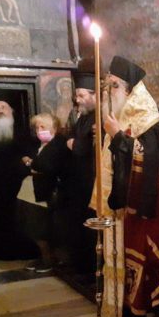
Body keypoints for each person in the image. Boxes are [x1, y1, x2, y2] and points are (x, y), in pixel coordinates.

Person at [95, 55, 159, 317]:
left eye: (115, 85)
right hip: (119, 195)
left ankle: (135, 304)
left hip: (136, 198)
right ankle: (118, 302)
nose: (110, 91)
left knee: (135, 252)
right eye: (108, 85)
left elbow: (147, 157)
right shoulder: (120, 109)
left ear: (129, 88)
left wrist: (117, 135)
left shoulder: (145, 113)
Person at [0, 93, 38, 260]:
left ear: (11, 110)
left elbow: (30, 155)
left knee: (18, 219)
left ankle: (19, 251)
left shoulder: (23, 133)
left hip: (16, 186)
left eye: (3, 107)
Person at [18, 113, 71, 273]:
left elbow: (46, 167)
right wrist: (31, 164)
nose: (39, 130)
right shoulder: (38, 145)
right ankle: (44, 257)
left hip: (47, 193)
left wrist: (29, 162)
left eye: (43, 127)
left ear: (54, 128)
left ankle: (49, 260)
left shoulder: (58, 145)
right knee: (33, 227)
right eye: (37, 127)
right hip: (32, 192)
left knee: (41, 229)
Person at [66, 71, 97, 276]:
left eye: (81, 95)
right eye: (76, 95)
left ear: (94, 95)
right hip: (78, 180)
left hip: (91, 180)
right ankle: (81, 266)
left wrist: (75, 144)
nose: (77, 100)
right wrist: (74, 143)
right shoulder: (83, 117)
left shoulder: (99, 117)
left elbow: (82, 148)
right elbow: (69, 138)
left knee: (90, 226)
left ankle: (90, 269)